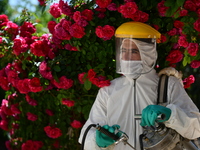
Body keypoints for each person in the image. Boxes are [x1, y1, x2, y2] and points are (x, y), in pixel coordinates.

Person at [78, 21, 200, 150]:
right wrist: (98, 141)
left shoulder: (168, 85)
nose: (125, 57)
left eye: (133, 51)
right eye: (123, 50)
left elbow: (196, 128)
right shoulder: (108, 90)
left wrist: (171, 115)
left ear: (147, 54)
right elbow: (86, 137)